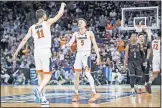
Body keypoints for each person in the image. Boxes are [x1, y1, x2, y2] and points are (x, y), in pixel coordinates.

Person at [12, 2, 66, 104]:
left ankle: (42, 97)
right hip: (45, 51)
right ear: (44, 16)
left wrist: (16, 51)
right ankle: (39, 89)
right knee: (48, 75)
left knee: (40, 76)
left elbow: (24, 40)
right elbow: (60, 14)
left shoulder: (32, 27)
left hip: (36, 53)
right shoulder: (47, 22)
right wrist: (62, 5)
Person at [66, 18, 101, 102]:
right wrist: (68, 45)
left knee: (87, 73)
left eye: (81, 22)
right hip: (78, 54)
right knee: (76, 75)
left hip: (86, 54)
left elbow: (95, 45)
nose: (79, 23)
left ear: (85, 24)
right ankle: (76, 94)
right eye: (78, 22)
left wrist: (98, 56)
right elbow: (71, 42)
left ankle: (94, 93)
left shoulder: (89, 33)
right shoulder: (75, 33)